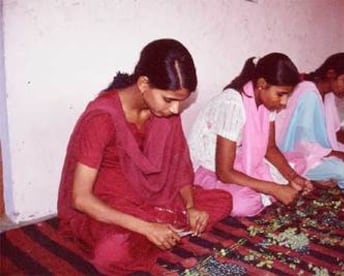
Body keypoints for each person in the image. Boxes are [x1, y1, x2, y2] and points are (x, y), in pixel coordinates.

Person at [57, 39, 232, 274]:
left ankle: (162, 227)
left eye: (181, 102)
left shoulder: (165, 113)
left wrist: (190, 206)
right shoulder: (102, 118)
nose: (175, 110)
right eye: (169, 99)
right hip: (112, 205)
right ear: (143, 83)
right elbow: (80, 198)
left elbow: (179, 168)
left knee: (223, 200)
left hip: (158, 197)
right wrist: (146, 228)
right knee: (112, 253)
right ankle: (156, 230)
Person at [188, 53, 313, 217]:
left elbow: (270, 149)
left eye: (287, 96)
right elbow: (224, 173)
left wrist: (293, 177)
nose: (284, 102)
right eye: (281, 94)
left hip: (239, 160)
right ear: (262, 84)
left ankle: (270, 190)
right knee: (244, 203)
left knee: (299, 164)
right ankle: (264, 193)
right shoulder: (232, 104)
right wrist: (274, 189)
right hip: (208, 168)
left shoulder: (267, 105)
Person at [276, 52, 344, 190]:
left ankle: (322, 174)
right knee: (342, 170)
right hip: (295, 154)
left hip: (318, 149)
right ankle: (312, 176)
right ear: (331, 74)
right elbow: (302, 144)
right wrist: (343, 156)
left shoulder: (327, 95)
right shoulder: (309, 95)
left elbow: (334, 130)